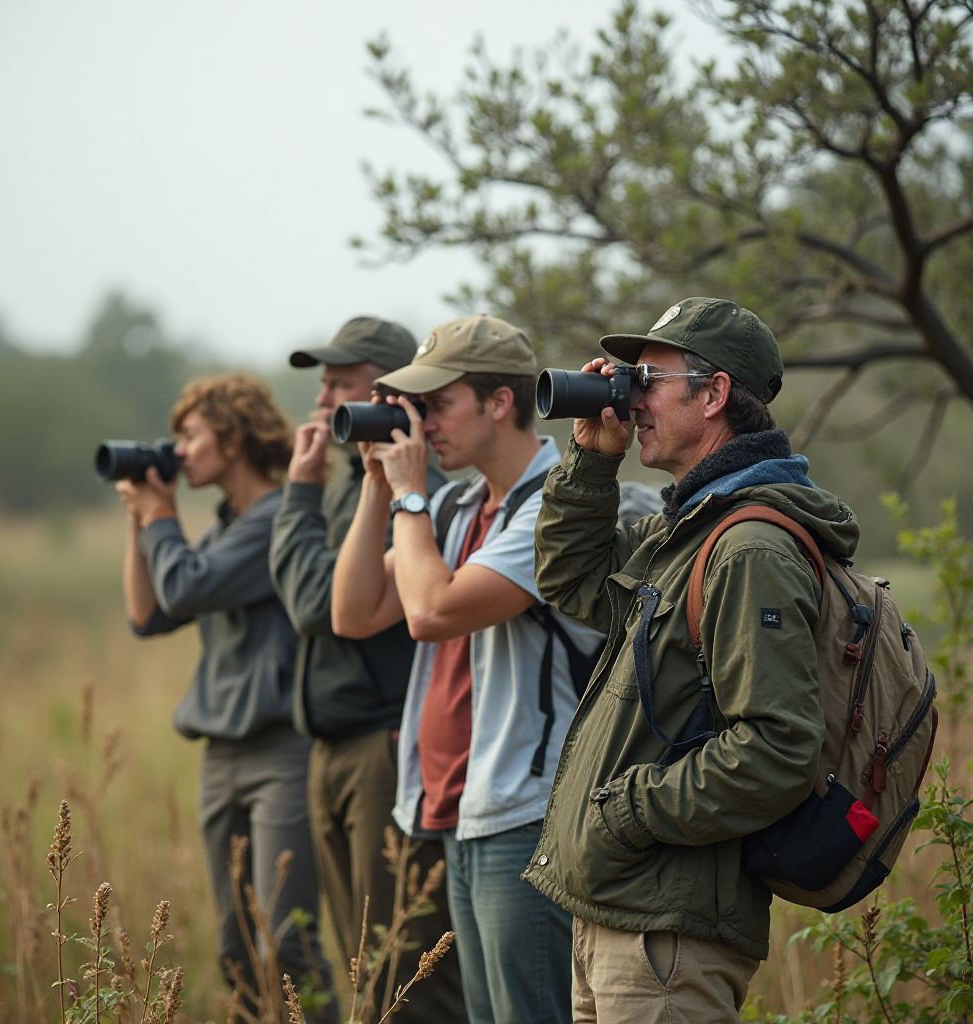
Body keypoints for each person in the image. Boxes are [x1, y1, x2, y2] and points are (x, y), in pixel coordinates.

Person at [524, 296, 861, 1022]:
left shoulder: (749, 547)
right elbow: (571, 582)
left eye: (648, 378)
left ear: (713, 395)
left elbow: (776, 748)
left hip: (666, 938)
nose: (632, 397)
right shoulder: (688, 528)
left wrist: (625, 812)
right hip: (623, 916)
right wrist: (591, 458)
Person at [331, 314, 600, 1024]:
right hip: (463, 808)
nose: (423, 425)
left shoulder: (554, 508)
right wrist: (377, 485)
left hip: (531, 812)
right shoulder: (455, 507)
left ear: (499, 402)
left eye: (437, 404)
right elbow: (354, 613)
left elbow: (431, 612)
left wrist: (411, 496)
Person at [115, 373, 335, 1017]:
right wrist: (139, 518)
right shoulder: (226, 527)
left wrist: (160, 515)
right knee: (235, 947)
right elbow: (148, 614)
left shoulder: (275, 522)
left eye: (191, 435)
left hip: (282, 755)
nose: (178, 451)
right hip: (222, 756)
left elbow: (182, 587)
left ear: (234, 439)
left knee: (287, 942)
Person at [268, 316, 463, 1021]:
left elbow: (315, 604)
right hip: (336, 744)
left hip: (386, 747)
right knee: (363, 965)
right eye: (320, 385)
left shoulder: (420, 490)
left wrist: (297, 491)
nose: (322, 401)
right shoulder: (360, 482)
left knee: (403, 966)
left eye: (338, 384)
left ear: (385, 391)